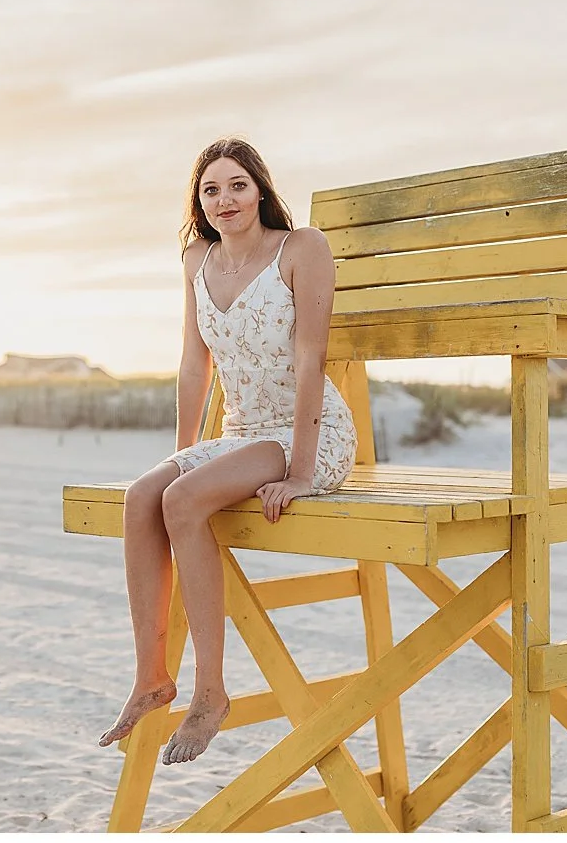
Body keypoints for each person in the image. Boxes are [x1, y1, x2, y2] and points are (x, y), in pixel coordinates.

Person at [98, 139, 356, 766]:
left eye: (237, 185)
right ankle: (151, 679)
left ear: (261, 189)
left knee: (184, 502)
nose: (225, 199)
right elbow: (194, 364)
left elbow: (310, 358)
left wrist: (298, 472)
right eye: (211, 190)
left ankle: (211, 693)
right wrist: (186, 456)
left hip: (309, 433)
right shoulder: (196, 260)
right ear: (200, 202)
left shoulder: (301, 249)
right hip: (240, 436)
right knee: (144, 497)